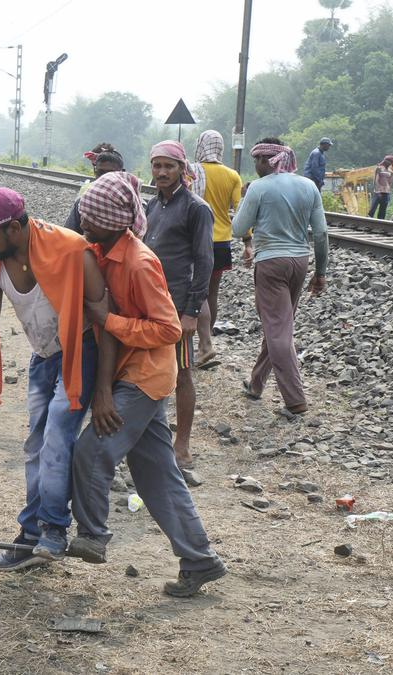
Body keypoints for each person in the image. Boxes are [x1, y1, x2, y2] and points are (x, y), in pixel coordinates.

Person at [69, 171, 227, 597]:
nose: (84, 226)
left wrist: (109, 321)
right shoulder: (101, 252)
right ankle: (199, 559)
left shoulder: (139, 262)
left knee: (92, 449)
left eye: (91, 220)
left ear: (116, 221)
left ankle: (93, 534)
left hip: (145, 376)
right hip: (131, 370)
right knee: (156, 474)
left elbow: (168, 328)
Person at [0, 187, 117, 569]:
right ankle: (33, 535)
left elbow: (107, 322)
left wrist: (103, 389)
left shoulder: (71, 250)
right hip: (44, 359)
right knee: (35, 447)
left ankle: (52, 531)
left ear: (14, 228)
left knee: (55, 441)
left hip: (80, 353)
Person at [232, 138, 329, 416]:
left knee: (277, 330)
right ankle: (256, 383)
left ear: (267, 160)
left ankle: (295, 401)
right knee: (279, 326)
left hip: (270, 262)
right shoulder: (308, 186)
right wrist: (320, 273)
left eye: (257, 161)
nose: (256, 166)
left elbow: (239, 228)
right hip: (300, 261)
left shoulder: (259, 188)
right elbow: (321, 234)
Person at [142, 140, 213, 470]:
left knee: (181, 373)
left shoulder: (196, 208)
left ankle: (181, 445)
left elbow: (204, 262)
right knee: (145, 370)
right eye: (157, 165)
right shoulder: (151, 206)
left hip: (176, 306)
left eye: (168, 166)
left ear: (182, 170)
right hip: (148, 302)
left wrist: (192, 313)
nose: (162, 172)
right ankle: (146, 439)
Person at [188, 130, 242, 369]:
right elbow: (238, 209)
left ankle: (204, 344)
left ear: (200, 145)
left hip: (197, 239)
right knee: (212, 293)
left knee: (196, 291)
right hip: (222, 242)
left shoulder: (192, 170)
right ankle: (203, 344)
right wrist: (249, 241)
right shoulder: (232, 175)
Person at [64, 143, 123, 233]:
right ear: (95, 172)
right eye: (100, 173)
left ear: (121, 174)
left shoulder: (129, 207)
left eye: (110, 174)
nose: (105, 178)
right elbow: (69, 236)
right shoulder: (82, 202)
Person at [367, 155, 393, 220]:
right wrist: (378, 191)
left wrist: (389, 190)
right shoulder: (379, 168)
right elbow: (376, 180)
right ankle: (368, 220)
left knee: (383, 210)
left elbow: (390, 182)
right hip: (378, 192)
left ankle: (380, 222)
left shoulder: (390, 171)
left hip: (386, 192)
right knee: (372, 209)